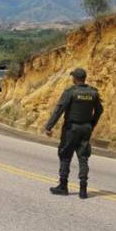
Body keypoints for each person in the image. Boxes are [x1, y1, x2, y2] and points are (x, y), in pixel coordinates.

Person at [44, 68, 104, 199]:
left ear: (75, 79)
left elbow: (59, 110)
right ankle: (83, 189)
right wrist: (91, 124)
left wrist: (49, 126)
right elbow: (99, 110)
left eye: (73, 77)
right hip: (86, 128)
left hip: (71, 129)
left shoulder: (70, 92)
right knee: (83, 157)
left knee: (65, 155)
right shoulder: (93, 93)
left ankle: (63, 186)